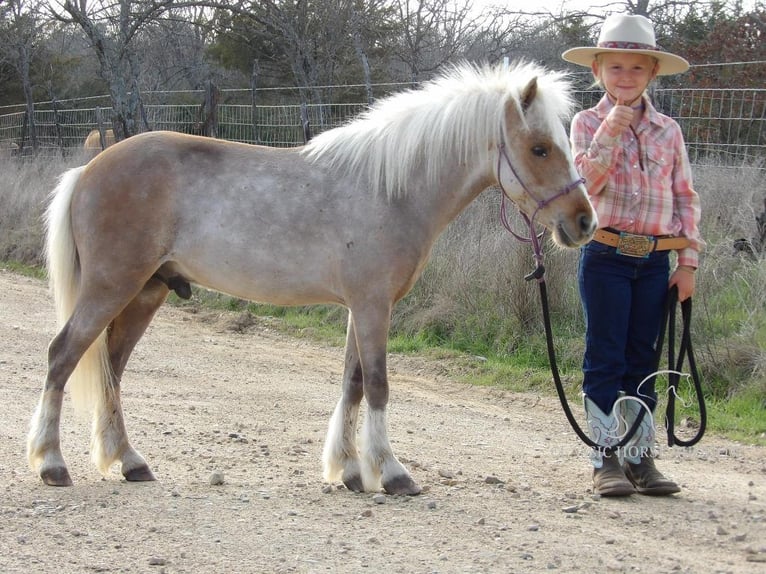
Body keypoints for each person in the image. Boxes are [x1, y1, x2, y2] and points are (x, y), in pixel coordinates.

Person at [561, 14, 704, 496]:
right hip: (606, 257)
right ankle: (605, 458)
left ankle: (639, 457)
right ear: (598, 70)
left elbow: (684, 196)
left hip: (656, 261)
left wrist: (688, 262)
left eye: (636, 69)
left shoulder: (668, 130)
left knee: (643, 355)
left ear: (652, 74)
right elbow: (585, 184)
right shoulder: (586, 123)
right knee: (605, 353)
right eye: (616, 67)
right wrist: (611, 133)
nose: (626, 77)